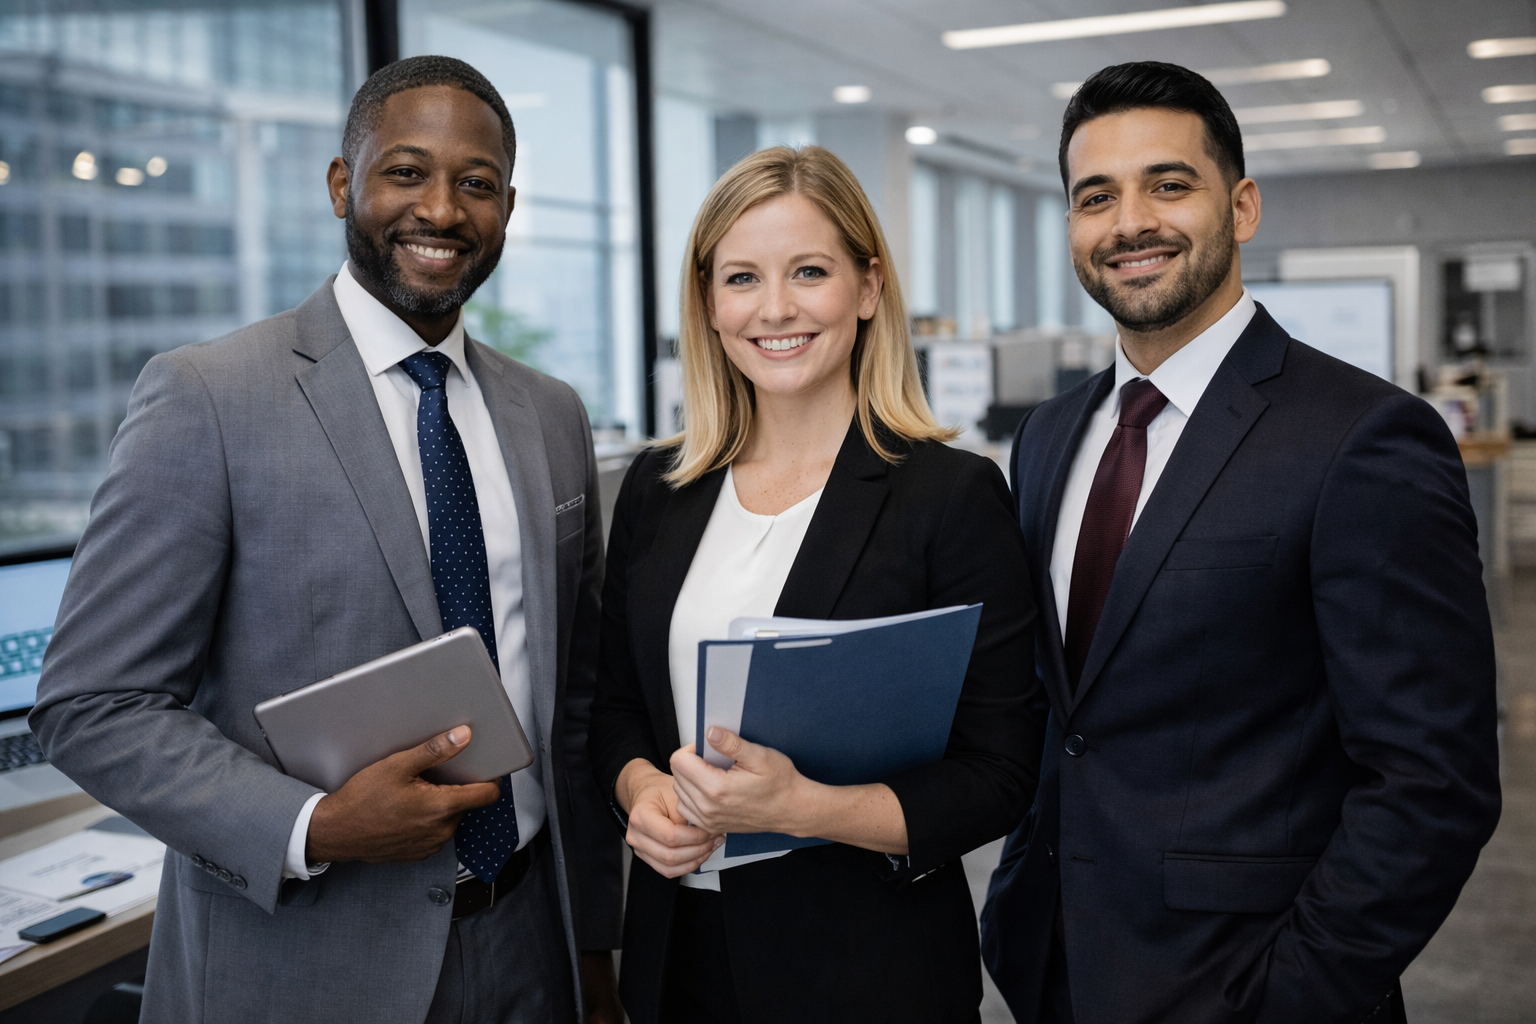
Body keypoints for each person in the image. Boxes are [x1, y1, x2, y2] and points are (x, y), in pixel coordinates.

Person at [31, 56, 623, 1024]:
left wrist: (592, 946)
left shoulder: (549, 413)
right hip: (304, 961)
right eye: (405, 171)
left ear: (507, 207)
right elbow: (93, 703)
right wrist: (313, 823)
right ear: (343, 184)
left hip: (529, 943)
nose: (441, 209)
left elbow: (576, 706)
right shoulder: (209, 397)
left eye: (475, 183)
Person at [980, 61, 1502, 1024]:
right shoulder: (1050, 436)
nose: (1130, 221)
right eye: (1097, 196)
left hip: (1248, 984)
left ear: (1243, 205)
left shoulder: (1362, 437)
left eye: (1168, 184)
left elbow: (1434, 782)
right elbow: (1068, 720)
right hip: (1054, 969)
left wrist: (1289, 996)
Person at [588, 145, 1045, 1024]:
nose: (775, 308)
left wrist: (806, 807)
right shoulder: (659, 487)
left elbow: (1000, 772)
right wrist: (642, 791)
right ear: (710, 305)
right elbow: (614, 710)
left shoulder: (947, 496)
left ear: (869, 288)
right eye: (742, 278)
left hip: (864, 970)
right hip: (678, 954)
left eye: (809, 271)